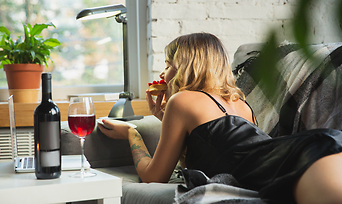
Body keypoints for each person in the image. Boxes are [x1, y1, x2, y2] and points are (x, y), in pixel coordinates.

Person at [98, 32, 342, 204]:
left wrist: (132, 133)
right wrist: (167, 120)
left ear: (185, 67)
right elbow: (219, 148)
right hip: (317, 146)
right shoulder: (240, 102)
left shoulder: (181, 100)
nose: (162, 73)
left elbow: (153, 177)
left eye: (168, 63)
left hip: (303, 160)